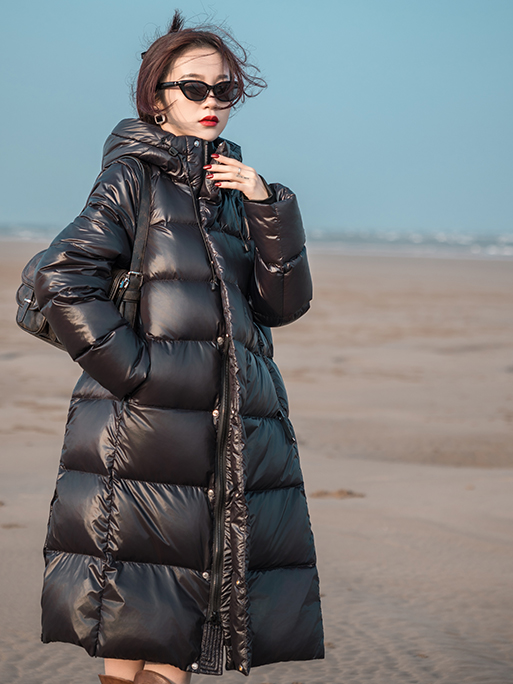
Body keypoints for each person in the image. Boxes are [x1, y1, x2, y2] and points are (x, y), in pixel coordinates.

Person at [34, 11, 324, 684]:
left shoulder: (233, 189)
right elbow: (62, 279)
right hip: (144, 433)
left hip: (221, 436)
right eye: (194, 88)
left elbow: (282, 306)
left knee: (175, 629)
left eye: (224, 89)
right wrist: (136, 373)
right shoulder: (131, 177)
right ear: (156, 98)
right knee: (135, 624)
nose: (211, 101)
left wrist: (268, 207)